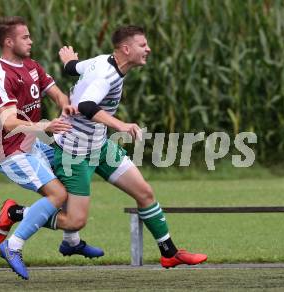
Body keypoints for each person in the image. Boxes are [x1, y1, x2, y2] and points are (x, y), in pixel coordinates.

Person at [51, 25, 207, 268]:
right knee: (75, 221)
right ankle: (17, 213)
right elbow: (86, 106)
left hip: (100, 147)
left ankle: (169, 253)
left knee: (144, 193)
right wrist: (121, 125)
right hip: (74, 153)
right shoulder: (107, 75)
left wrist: (69, 62)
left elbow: (74, 69)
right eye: (143, 45)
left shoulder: (103, 60)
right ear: (126, 49)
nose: (148, 49)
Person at [0, 16, 102, 280]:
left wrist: (66, 104)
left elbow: (57, 93)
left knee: (71, 176)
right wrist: (46, 126)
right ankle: (12, 246)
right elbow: (9, 122)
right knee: (58, 195)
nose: (31, 41)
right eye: (25, 37)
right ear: (8, 41)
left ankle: (70, 242)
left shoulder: (32, 66)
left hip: (32, 144)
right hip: (10, 152)